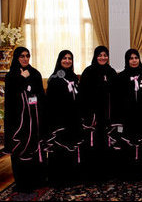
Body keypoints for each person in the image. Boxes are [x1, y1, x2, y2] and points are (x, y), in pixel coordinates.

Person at [110, 49, 142, 180]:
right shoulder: (120, 78)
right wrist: (118, 119)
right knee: (127, 144)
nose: (134, 60)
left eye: (136, 57)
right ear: (127, 60)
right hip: (127, 118)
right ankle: (127, 171)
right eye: (131, 58)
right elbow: (116, 100)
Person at [4, 47, 45, 192]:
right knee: (20, 150)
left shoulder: (35, 74)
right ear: (16, 58)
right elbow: (10, 98)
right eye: (22, 56)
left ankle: (36, 180)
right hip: (18, 121)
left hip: (34, 119)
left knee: (34, 149)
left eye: (27, 56)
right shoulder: (11, 76)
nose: (25, 59)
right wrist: (22, 78)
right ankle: (22, 183)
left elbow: (40, 96)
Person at [78, 46, 117, 182]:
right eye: (100, 55)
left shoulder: (111, 72)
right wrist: (89, 115)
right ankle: (92, 174)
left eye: (105, 55)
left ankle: (108, 173)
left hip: (108, 115)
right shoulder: (88, 72)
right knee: (93, 145)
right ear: (95, 56)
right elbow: (82, 96)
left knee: (108, 144)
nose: (102, 58)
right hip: (93, 116)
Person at [45, 50, 83, 186]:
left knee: (72, 149)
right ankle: (58, 179)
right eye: (64, 58)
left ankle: (72, 177)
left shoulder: (74, 77)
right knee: (59, 150)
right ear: (59, 60)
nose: (67, 61)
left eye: (70, 58)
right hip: (59, 121)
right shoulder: (54, 79)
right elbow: (50, 102)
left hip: (74, 120)